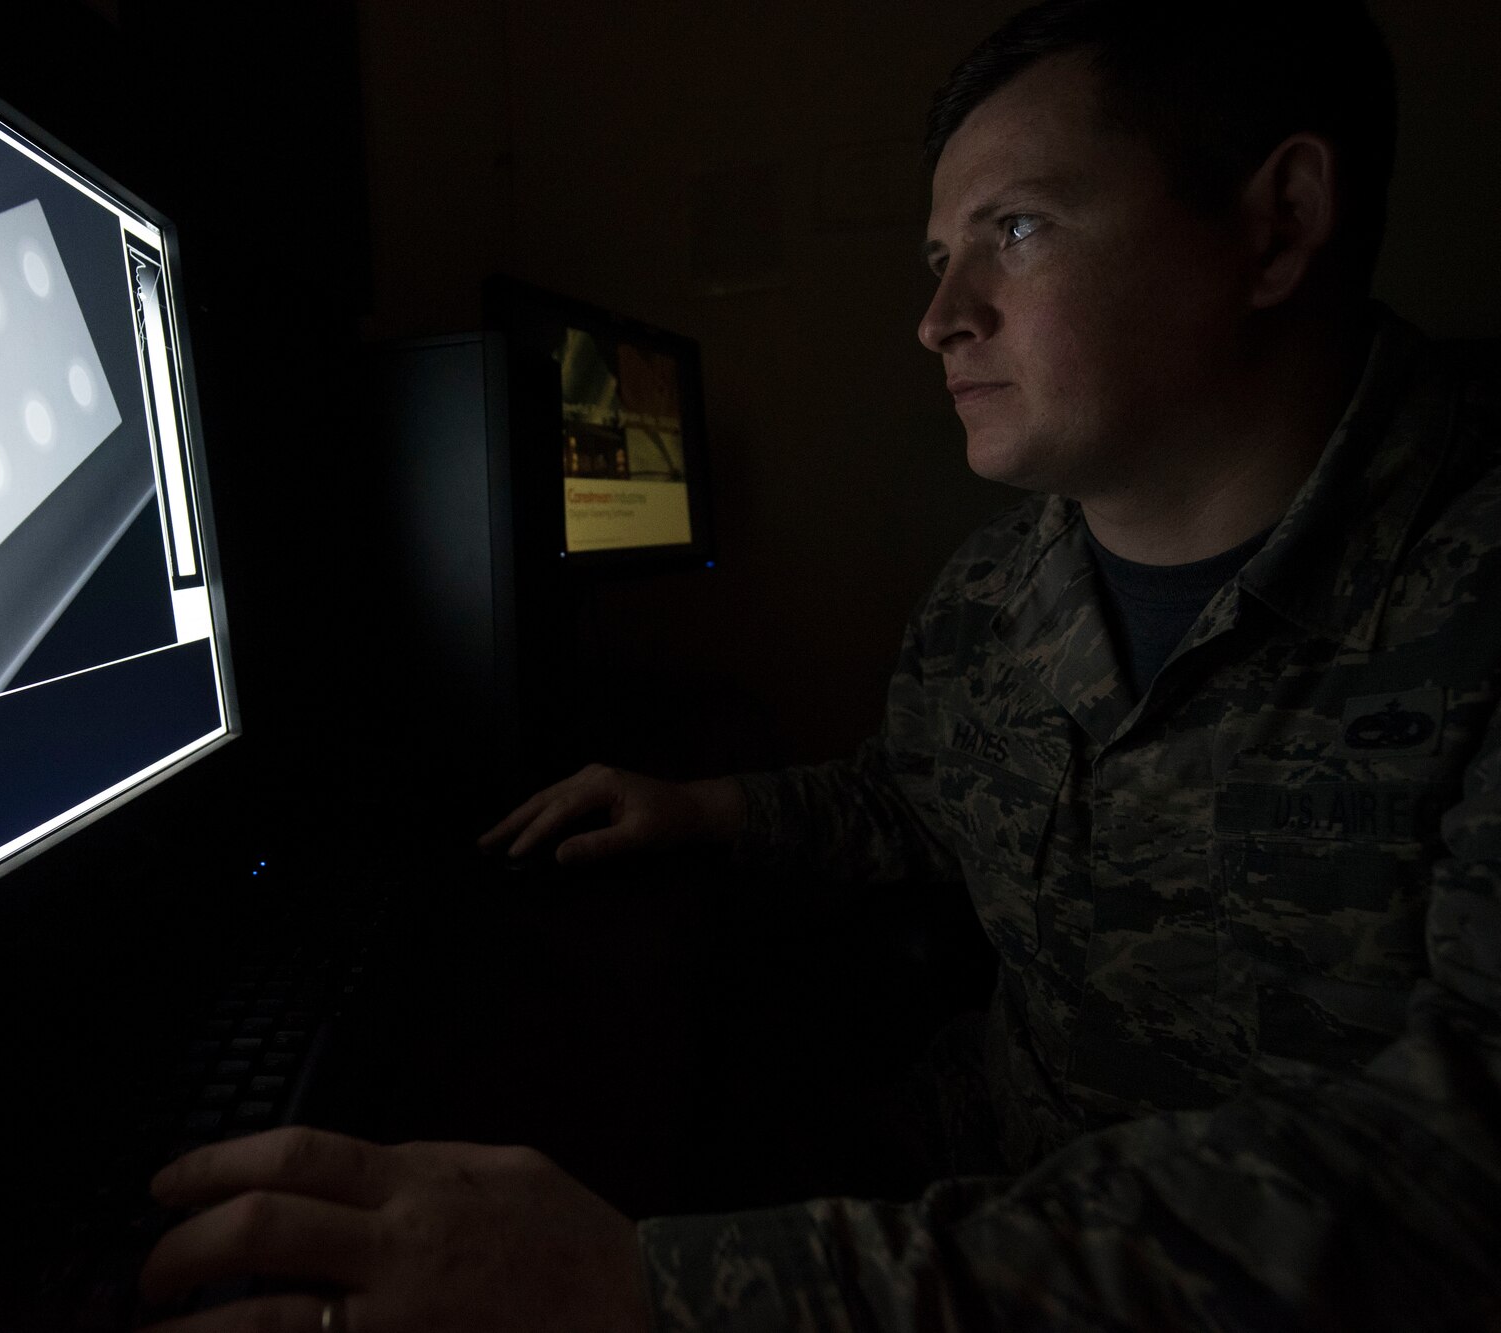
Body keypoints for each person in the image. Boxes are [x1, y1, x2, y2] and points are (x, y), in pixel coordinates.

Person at [137, 1, 1501, 1327]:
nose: (940, 318)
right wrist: (713, 806)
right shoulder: (996, 588)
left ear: (1281, 225)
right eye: (937, 257)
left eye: (1015, 231)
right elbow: (925, 796)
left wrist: (655, 1291)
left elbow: (1446, 1189)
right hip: (956, 1176)